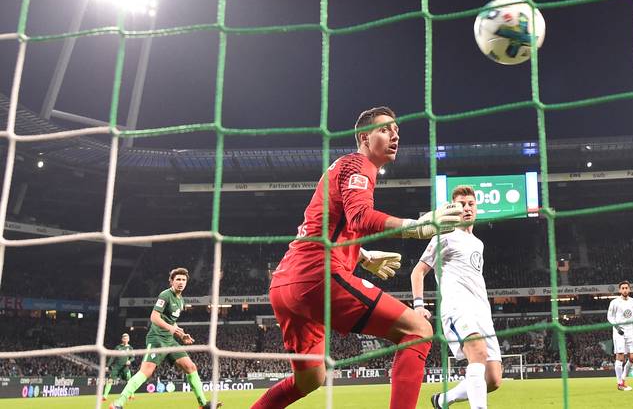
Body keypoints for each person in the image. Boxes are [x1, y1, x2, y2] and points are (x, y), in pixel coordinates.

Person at [251, 106, 466, 409]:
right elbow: (361, 217)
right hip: (317, 278)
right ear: (364, 137)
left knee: (310, 379)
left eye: (396, 131)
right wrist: (417, 226)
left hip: (285, 286)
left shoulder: (340, 168)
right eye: (385, 129)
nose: (395, 136)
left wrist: (362, 256)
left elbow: (322, 224)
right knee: (418, 331)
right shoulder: (358, 165)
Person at [412, 186, 504, 409]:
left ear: (477, 208)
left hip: (482, 311)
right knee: (478, 352)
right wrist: (419, 305)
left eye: (471, 204)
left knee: (492, 380)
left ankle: (443, 400)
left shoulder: (478, 243)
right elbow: (418, 271)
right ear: (455, 208)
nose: (467, 208)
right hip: (457, 307)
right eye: (462, 204)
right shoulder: (444, 236)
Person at [110, 268, 219, 409]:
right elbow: (154, 317)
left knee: (191, 367)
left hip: (170, 340)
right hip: (157, 338)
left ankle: (203, 404)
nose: (181, 282)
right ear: (172, 281)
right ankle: (118, 403)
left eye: (183, 280)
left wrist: (181, 334)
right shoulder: (165, 295)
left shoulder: (181, 301)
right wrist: (171, 328)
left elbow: (171, 321)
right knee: (146, 371)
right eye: (178, 279)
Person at [606, 280, 633, 391]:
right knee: (620, 356)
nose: (624, 290)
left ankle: (623, 379)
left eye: (626, 288)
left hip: (630, 332)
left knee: (632, 358)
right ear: (620, 290)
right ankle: (619, 383)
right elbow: (609, 317)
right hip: (619, 332)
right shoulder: (614, 302)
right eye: (622, 288)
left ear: (629, 289)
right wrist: (617, 327)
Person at [103, 333, 134, 402]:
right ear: (122, 339)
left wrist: (129, 361)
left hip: (125, 368)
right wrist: (107, 366)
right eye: (124, 338)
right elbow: (113, 357)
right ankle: (104, 396)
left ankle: (132, 395)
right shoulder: (118, 347)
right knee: (110, 380)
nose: (125, 339)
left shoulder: (130, 348)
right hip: (116, 367)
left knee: (129, 381)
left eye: (126, 338)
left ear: (128, 339)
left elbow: (133, 358)